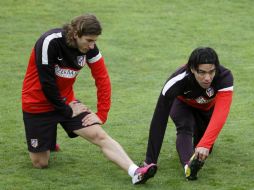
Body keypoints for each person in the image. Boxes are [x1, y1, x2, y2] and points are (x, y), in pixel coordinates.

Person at [22, 13, 157, 185]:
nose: (92, 45)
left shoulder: (90, 48)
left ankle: (136, 172)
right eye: (89, 40)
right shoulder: (50, 42)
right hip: (37, 105)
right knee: (40, 163)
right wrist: (67, 110)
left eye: (95, 40)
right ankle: (48, 139)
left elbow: (102, 78)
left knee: (98, 135)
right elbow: (46, 83)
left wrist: (101, 113)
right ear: (76, 34)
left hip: (66, 101)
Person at [144, 47, 233, 180]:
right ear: (192, 69)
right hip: (182, 105)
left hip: (206, 110)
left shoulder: (225, 77)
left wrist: (205, 144)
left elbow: (220, 113)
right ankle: (189, 167)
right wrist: (150, 160)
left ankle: (198, 147)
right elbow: (159, 120)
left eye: (211, 72)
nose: (207, 78)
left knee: (203, 148)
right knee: (185, 126)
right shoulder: (176, 81)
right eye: (201, 72)